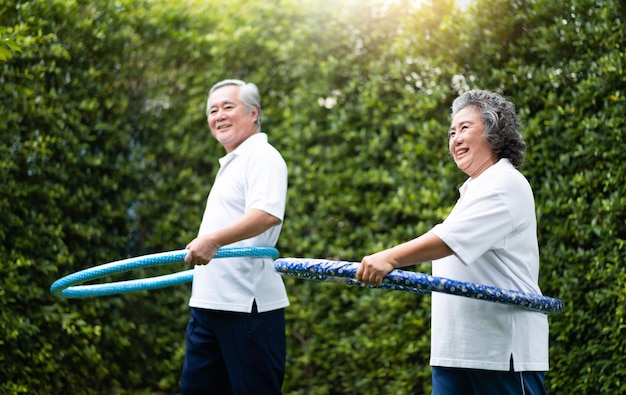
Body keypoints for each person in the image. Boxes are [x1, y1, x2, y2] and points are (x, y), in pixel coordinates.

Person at [356, 89, 549, 395]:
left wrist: (389, 258)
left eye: (465, 128)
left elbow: (448, 240)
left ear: (493, 131)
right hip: (454, 350)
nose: (455, 138)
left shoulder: (505, 183)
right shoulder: (473, 190)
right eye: (452, 132)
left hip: (501, 353)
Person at [180, 79, 289, 395]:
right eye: (212, 110)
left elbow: (266, 214)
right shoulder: (232, 163)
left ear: (254, 113)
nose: (219, 116)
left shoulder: (262, 156)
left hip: (246, 307)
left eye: (228, 106)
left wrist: (212, 240)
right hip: (206, 303)